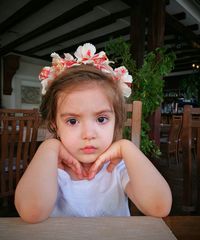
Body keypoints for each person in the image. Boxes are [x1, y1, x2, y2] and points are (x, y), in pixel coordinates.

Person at [15, 43, 172, 223]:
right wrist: (49, 146)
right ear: (55, 125)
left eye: (101, 119)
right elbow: (31, 212)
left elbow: (160, 206)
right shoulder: (51, 169)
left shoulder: (118, 168)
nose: (89, 134)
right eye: (72, 121)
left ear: (116, 122)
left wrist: (126, 147)